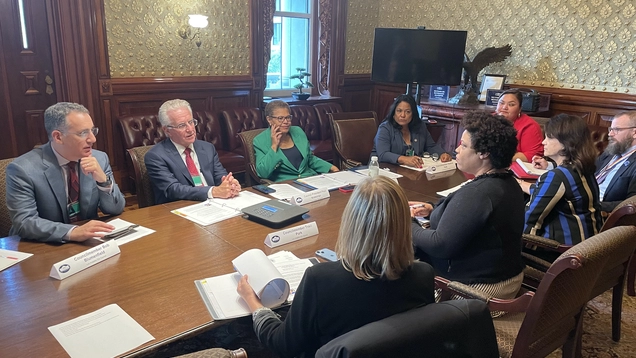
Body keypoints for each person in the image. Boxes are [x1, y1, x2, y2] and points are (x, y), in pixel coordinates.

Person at [236, 176, 435, 358]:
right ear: (404, 223)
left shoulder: (320, 279)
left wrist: (254, 303)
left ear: (351, 222)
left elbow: (282, 345)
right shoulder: (424, 274)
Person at [409, 111, 525, 303]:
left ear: (484, 153)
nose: (456, 149)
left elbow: (440, 245)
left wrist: (408, 223)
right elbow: (470, 217)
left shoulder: (481, 193)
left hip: (477, 291)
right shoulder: (507, 182)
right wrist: (432, 208)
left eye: (463, 145)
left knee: (388, 277)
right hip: (505, 276)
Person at [6, 102, 125, 243]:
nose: (93, 139)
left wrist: (103, 180)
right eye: (83, 133)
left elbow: (115, 209)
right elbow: (24, 223)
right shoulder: (22, 169)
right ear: (58, 137)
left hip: (89, 244)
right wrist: (72, 232)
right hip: (42, 246)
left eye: (93, 131)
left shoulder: (99, 158)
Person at [520, 114, 602, 249]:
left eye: (549, 137)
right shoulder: (583, 167)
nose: (543, 142)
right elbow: (552, 193)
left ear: (566, 143)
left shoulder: (556, 177)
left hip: (561, 253)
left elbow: (529, 220)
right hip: (587, 247)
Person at [145, 99, 240, 204]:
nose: (190, 129)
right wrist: (212, 191)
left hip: (214, 204)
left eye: (191, 122)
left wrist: (229, 184)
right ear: (167, 130)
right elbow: (173, 189)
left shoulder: (207, 148)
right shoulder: (155, 156)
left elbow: (220, 176)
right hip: (180, 208)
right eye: (182, 125)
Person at [253, 100, 338, 182]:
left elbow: (310, 159)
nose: (286, 122)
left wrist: (331, 167)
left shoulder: (298, 131)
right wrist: (274, 146)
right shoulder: (260, 141)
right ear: (269, 119)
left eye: (288, 117)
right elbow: (262, 173)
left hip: (309, 179)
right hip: (285, 184)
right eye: (280, 118)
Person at [371, 94, 451, 168]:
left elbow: (431, 146)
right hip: (384, 170)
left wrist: (442, 154)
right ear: (393, 113)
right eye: (399, 111)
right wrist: (405, 159)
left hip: (411, 171)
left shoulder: (420, 126)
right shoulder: (385, 128)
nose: (402, 115)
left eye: (407, 112)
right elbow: (383, 154)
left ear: (413, 114)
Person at [595, 111, 636, 212]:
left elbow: (631, 204)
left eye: (617, 129)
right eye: (611, 129)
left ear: (634, 133)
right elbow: (587, 172)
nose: (610, 134)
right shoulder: (611, 152)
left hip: (602, 213)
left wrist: (594, 206)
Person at [495, 89, 543, 162]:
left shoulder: (529, 126)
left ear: (519, 109)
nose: (504, 107)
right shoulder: (487, 120)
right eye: (501, 103)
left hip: (513, 167)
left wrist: (496, 158)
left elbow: (532, 155)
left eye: (511, 104)